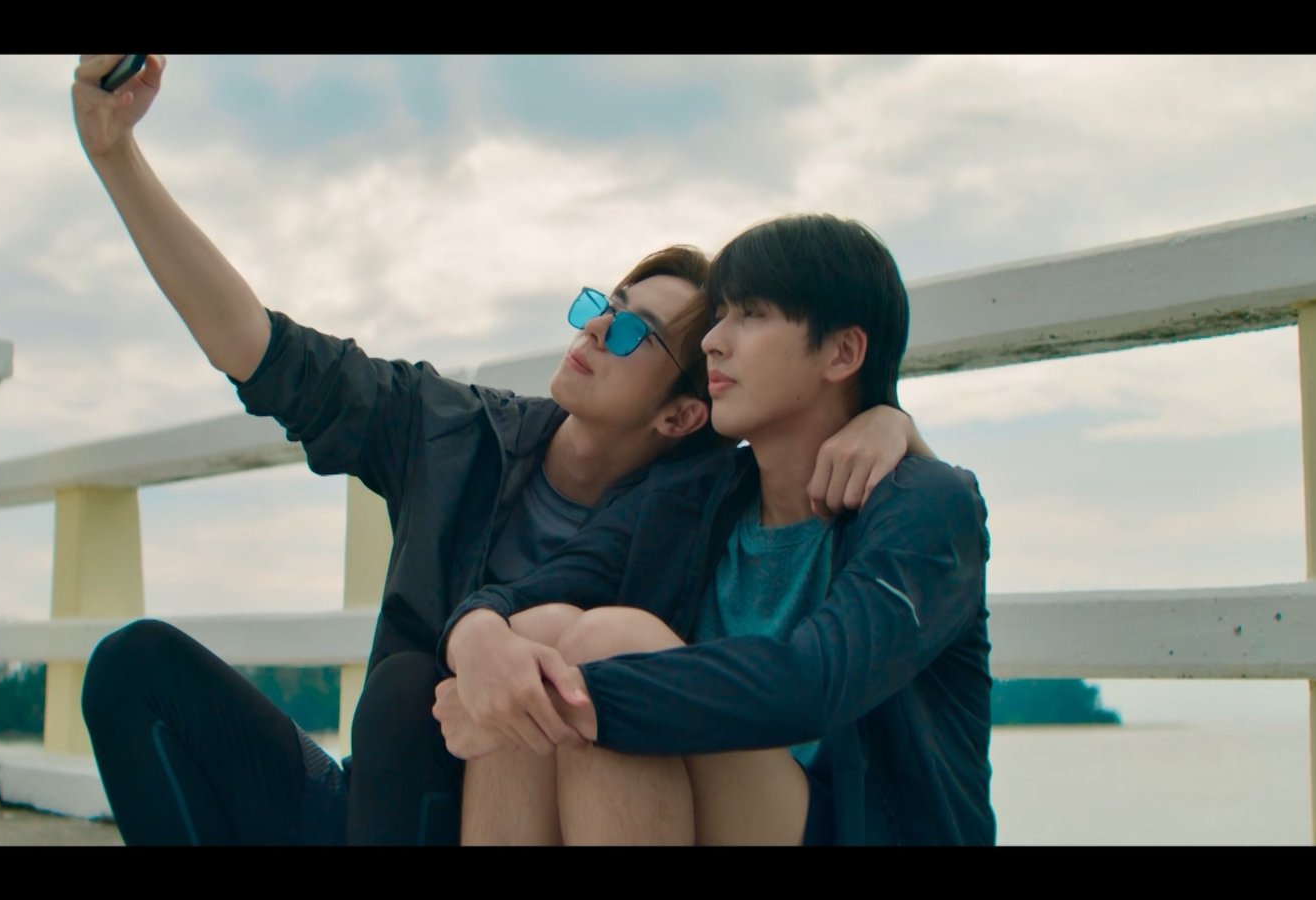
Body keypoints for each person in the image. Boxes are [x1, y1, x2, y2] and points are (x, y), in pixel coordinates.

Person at [70, 54, 932, 845]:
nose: (593, 329)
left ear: (681, 414)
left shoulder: (698, 501)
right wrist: (115, 155)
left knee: (449, 678)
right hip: (391, 800)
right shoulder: (452, 431)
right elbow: (263, 352)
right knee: (134, 669)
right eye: (602, 305)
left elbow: (808, 461)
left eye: (630, 331)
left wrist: (891, 421)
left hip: (552, 782)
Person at [438, 213, 994, 845]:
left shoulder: (926, 507)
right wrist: (477, 640)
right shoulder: (697, 495)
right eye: (719, 315)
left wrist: (570, 699)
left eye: (751, 315)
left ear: (842, 353)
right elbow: (530, 593)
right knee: (533, 634)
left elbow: (814, 686)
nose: (712, 341)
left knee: (611, 643)